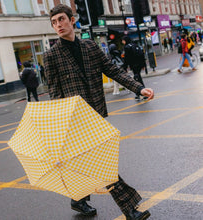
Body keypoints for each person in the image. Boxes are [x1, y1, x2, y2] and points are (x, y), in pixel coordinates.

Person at [43, 4, 154, 220]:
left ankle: (78, 199)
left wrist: (138, 88)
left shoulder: (90, 47)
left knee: (88, 165)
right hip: (74, 122)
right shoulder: (51, 56)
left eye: (61, 19)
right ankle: (129, 209)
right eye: (54, 22)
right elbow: (54, 93)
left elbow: (112, 70)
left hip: (96, 116)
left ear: (72, 20)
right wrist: (60, 128)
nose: (58, 25)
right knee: (103, 166)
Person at [121, 36, 147, 101]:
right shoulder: (135, 45)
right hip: (139, 65)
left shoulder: (127, 47)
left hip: (134, 65)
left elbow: (127, 59)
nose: (122, 42)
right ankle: (138, 93)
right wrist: (143, 65)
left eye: (123, 40)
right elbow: (142, 55)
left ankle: (143, 93)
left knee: (137, 78)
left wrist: (125, 67)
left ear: (125, 40)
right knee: (137, 78)